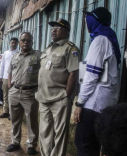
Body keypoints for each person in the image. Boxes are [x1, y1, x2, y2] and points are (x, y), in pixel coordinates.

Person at [74, 7, 121, 156]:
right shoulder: (109, 38)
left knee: (84, 143)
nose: (86, 23)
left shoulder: (100, 40)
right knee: (93, 146)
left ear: (94, 21)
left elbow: (91, 75)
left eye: (88, 20)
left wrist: (79, 103)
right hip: (104, 102)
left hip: (93, 103)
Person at [35, 18, 80, 156]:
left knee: (60, 135)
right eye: (53, 28)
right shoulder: (48, 49)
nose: (53, 30)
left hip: (59, 98)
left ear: (66, 32)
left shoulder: (70, 48)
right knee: (44, 132)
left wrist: (66, 95)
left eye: (58, 28)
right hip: (43, 98)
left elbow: (74, 72)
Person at [6, 32, 41, 155]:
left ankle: (32, 144)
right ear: (20, 43)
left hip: (30, 92)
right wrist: (10, 86)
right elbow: (9, 71)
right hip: (15, 91)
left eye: (28, 40)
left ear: (32, 42)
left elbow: (43, 74)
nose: (26, 42)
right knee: (15, 119)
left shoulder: (38, 56)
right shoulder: (15, 56)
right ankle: (15, 142)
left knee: (32, 120)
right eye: (23, 40)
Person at [0, 37, 19, 118]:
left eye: (15, 43)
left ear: (17, 44)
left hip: (14, 78)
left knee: (13, 96)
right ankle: (5, 112)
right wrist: (0, 77)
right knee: (5, 95)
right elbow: (2, 66)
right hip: (5, 77)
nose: (13, 44)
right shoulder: (5, 53)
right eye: (12, 42)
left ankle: (11, 113)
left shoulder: (19, 53)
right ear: (10, 43)